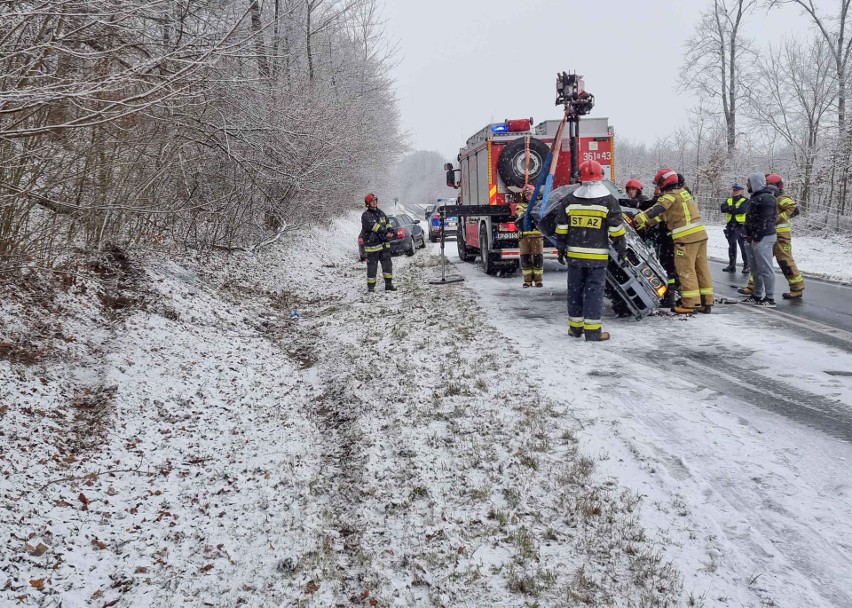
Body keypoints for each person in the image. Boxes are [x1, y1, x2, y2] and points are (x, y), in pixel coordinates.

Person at [554, 160, 626, 341]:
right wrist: (622, 250)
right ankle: (593, 332)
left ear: (580, 177)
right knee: (594, 292)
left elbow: (561, 227)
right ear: (601, 176)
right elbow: (616, 230)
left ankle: (575, 329)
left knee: (574, 291)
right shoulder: (609, 200)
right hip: (597, 258)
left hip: (575, 258)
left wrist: (561, 248)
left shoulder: (569, 200)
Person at [632, 168, 713, 314]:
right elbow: (664, 215)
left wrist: (638, 219)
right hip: (700, 235)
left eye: (658, 183)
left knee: (686, 270)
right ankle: (705, 301)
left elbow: (657, 209)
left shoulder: (670, 196)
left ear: (664, 182)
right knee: (701, 269)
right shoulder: (683, 193)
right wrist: (646, 224)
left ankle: (689, 304)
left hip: (685, 239)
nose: (657, 186)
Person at [765, 174, 805, 299]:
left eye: (767, 184)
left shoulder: (781, 198)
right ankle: (752, 287)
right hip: (769, 234)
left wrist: (776, 219)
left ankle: (797, 288)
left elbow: (794, 209)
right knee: (761, 260)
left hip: (781, 236)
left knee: (785, 261)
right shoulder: (769, 198)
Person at [741, 173, 777, 307]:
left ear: (755, 182)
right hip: (754, 238)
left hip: (763, 237)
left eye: (748, 182)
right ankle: (756, 295)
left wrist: (757, 237)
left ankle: (770, 297)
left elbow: (766, 220)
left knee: (765, 268)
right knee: (755, 269)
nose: (747, 185)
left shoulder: (767, 198)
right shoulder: (756, 197)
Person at [360, 193, 396, 292]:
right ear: (368, 203)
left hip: (384, 245)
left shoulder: (381, 213)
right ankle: (371, 287)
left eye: (375, 200)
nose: (374, 202)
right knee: (372, 267)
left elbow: (387, 222)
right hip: (373, 246)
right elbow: (374, 226)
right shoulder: (366, 215)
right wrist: (385, 231)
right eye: (372, 201)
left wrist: (390, 229)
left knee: (387, 265)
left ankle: (388, 284)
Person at [515, 184, 545, 287]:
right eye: (527, 194)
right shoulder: (520, 206)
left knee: (538, 259)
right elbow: (520, 216)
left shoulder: (539, 205)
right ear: (523, 195)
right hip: (524, 237)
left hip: (537, 236)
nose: (529, 196)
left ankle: (538, 280)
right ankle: (527, 281)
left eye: (531, 194)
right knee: (525, 259)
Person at [720, 184, 750, 273]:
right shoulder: (729, 199)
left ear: (741, 191)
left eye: (736, 190)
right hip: (730, 226)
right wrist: (733, 208)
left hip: (741, 226)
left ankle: (746, 266)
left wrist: (730, 209)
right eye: (734, 190)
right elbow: (722, 208)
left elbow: (742, 210)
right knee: (732, 246)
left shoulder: (745, 200)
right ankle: (732, 265)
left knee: (743, 247)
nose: (734, 192)